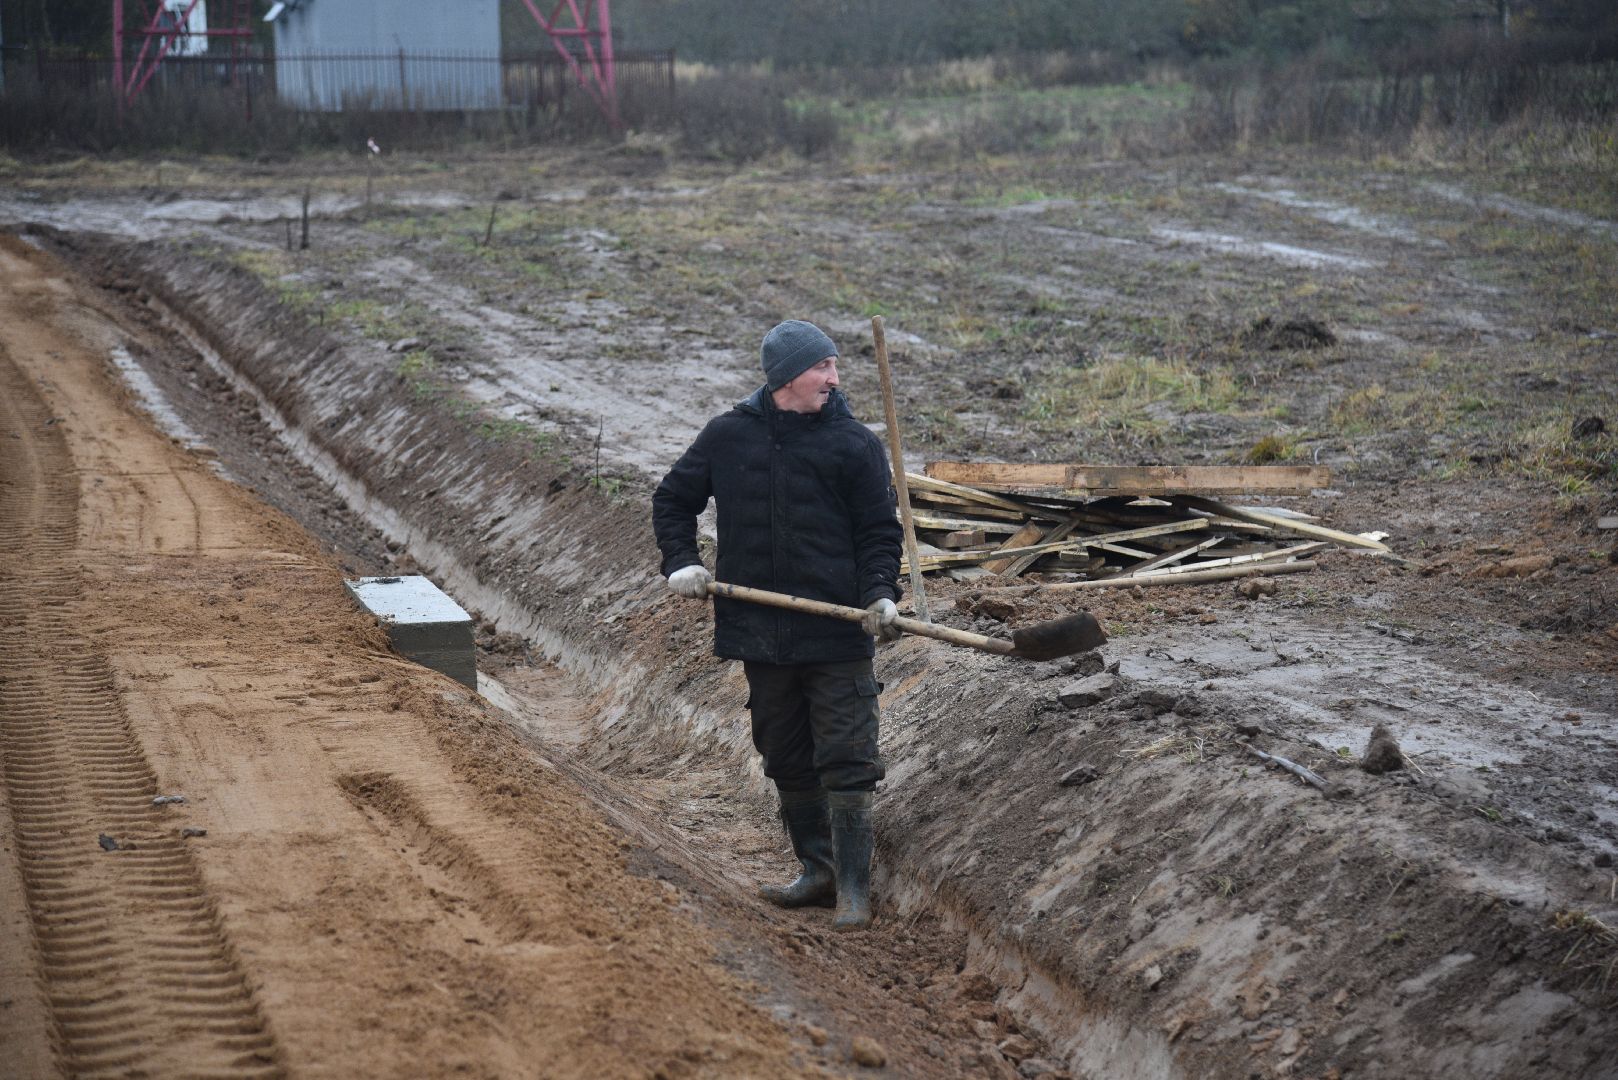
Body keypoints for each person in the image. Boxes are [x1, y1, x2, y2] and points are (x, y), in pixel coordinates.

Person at [651, 319, 903, 931]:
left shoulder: (853, 444)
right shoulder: (728, 436)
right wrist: (682, 561)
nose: (835, 379)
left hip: (837, 630)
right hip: (760, 631)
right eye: (824, 367)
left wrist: (880, 596)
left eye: (835, 366)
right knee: (784, 753)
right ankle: (816, 870)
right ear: (788, 375)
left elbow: (878, 532)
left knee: (847, 754)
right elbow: (672, 500)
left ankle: (852, 888)